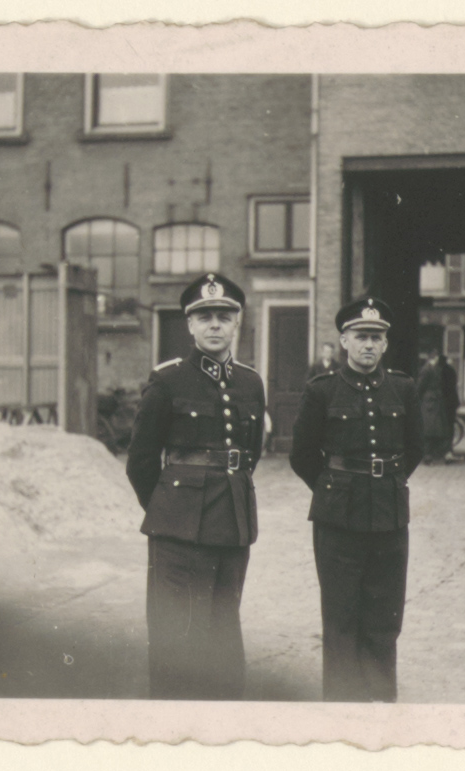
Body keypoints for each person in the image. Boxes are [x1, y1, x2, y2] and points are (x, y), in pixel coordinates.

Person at [126, 273, 265, 700]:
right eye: (204, 317)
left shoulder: (251, 382)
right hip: (178, 531)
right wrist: (171, 509)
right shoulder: (168, 380)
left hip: (233, 525)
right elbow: (141, 461)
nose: (215, 325)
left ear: (237, 322)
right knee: (179, 637)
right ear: (189, 324)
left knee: (224, 635)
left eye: (224, 316)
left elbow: (250, 454)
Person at [289, 297, 424, 701]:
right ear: (344, 341)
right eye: (361, 336)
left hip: (389, 515)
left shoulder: (403, 388)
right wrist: (335, 487)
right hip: (337, 519)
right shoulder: (322, 390)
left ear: (385, 344)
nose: (368, 345)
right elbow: (301, 454)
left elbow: (415, 448)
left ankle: (381, 701)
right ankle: (342, 705)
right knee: (341, 615)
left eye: (376, 338)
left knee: (385, 615)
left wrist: (383, 482)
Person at [417, 348, 460, 463]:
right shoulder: (432, 369)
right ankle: (439, 454)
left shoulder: (429, 369)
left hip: (431, 402)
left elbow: (421, 386)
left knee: (432, 429)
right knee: (434, 429)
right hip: (434, 402)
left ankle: (433, 455)